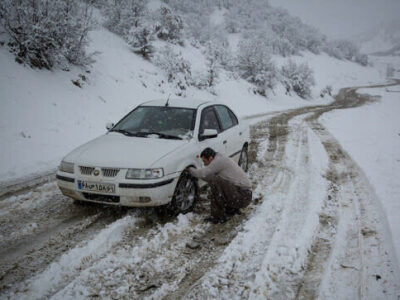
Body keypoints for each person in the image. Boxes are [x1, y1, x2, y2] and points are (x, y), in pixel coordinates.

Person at [188, 147, 252, 224]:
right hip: (243, 195)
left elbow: (203, 173)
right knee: (218, 181)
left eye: (205, 161)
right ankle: (231, 209)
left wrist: (189, 170)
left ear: (210, 158)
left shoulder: (218, 162)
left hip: (242, 197)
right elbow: (208, 176)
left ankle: (218, 217)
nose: (204, 164)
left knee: (216, 182)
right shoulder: (220, 158)